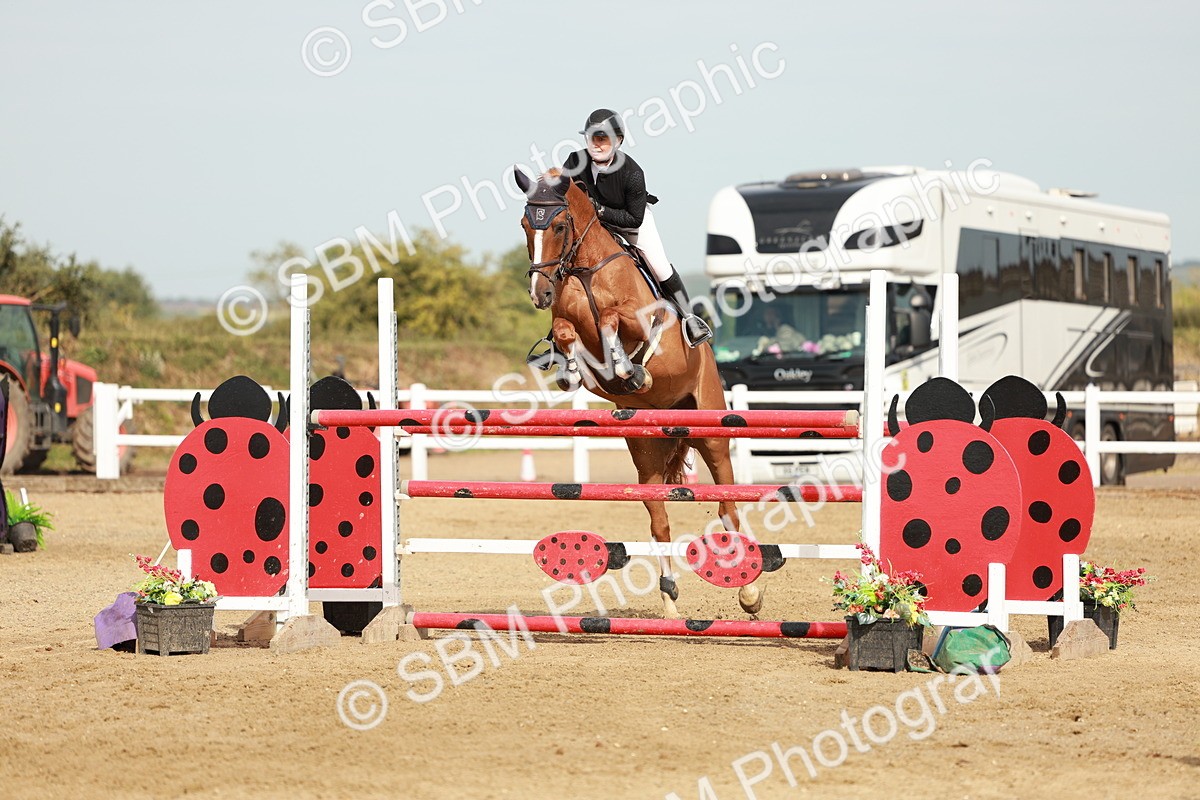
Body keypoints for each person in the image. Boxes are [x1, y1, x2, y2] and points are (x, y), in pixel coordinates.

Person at [559, 108, 712, 347]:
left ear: (618, 141)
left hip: (630, 221)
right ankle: (555, 338)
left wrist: (599, 210)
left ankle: (690, 318)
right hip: (592, 227)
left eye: (602, 138)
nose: (596, 144)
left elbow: (634, 219)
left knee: (659, 266)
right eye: (591, 138)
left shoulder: (633, 173)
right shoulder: (574, 162)